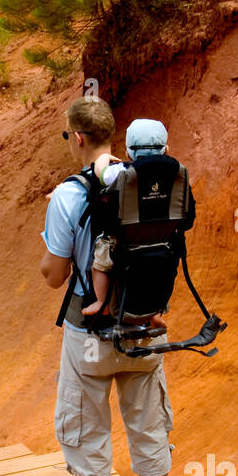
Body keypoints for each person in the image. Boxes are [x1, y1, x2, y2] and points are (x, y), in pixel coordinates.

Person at [39, 97, 174, 476]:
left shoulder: (69, 195)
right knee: (149, 431)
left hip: (90, 335)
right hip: (145, 327)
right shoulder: (152, 185)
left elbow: (54, 276)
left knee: (89, 438)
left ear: (77, 137)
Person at [82, 119, 172, 330]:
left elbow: (101, 174)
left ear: (128, 152)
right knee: (158, 271)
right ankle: (154, 313)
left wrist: (103, 159)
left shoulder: (122, 171)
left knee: (101, 258)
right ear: (166, 149)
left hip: (125, 240)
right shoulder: (175, 174)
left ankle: (102, 303)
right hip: (162, 240)